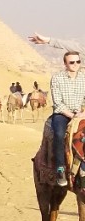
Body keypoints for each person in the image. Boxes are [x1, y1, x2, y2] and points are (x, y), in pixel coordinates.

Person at [45, 49, 85, 187]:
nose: (75, 64)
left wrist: (82, 113)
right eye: (72, 62)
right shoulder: (57, 78)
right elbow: (57, 102)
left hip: (80, 114)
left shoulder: (83, 78)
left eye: (78, 61)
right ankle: (60, 169)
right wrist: (72, 115)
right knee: (59, 134)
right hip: (62, 114)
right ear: (65, 64)